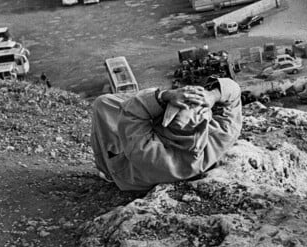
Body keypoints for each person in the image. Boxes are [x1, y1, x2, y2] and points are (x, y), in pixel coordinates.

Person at [91, 77, 242, 192]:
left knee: (102, 104)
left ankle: (106, 172)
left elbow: (131, 114)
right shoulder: (220, 133)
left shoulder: (150, 154)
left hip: (131, 172)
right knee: (112, 104)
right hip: (161, 145)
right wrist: (211, 96)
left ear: (167, 119)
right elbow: (234, 91)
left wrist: (164, 97)